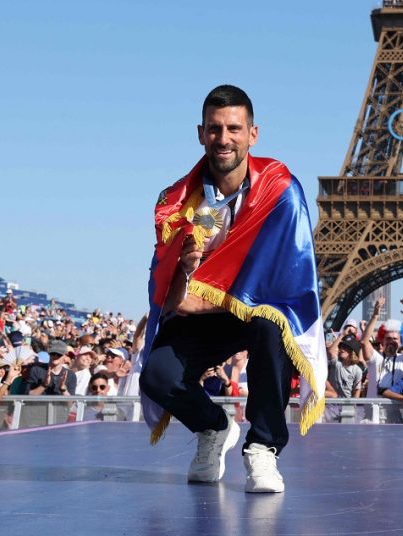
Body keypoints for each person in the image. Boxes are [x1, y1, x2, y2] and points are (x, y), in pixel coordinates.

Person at [139, 85, 327, 494]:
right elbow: (166, 296)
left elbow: (288, 283)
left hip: (259, 310)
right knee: (155, 375)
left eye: (234, 129)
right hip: (200, 317)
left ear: (253, 134)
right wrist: (184, 272)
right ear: (200, 133)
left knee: (273, 327)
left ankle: (262, 446)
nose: (224, 139)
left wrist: (203, 298)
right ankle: (214, 428)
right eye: (215, 129)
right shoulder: (176, 203)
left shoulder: (281, 192)